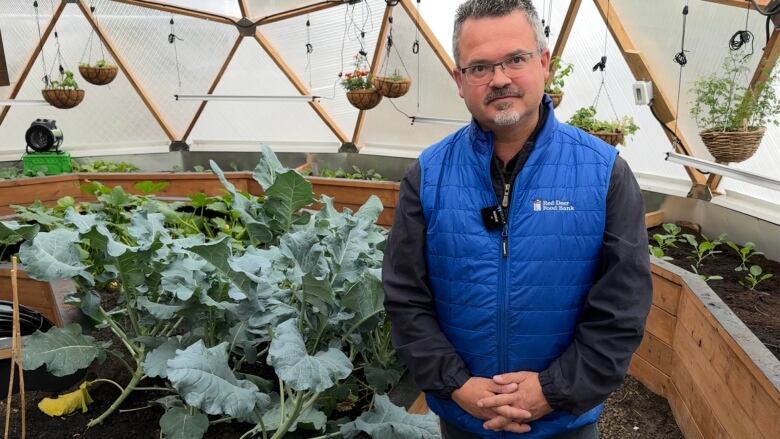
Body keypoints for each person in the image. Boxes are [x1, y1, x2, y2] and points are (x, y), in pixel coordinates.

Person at [382, 1, 653, 438]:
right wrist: (458, 386)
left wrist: (552, 390)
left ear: (543, 63)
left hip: (564, 421)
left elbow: (622, 308)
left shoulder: (605, 173)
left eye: (516, 59)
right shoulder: (428, 174)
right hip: (465, 416)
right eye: (480, 67)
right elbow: (405, 297)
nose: (500, 78)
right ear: (460, 80)